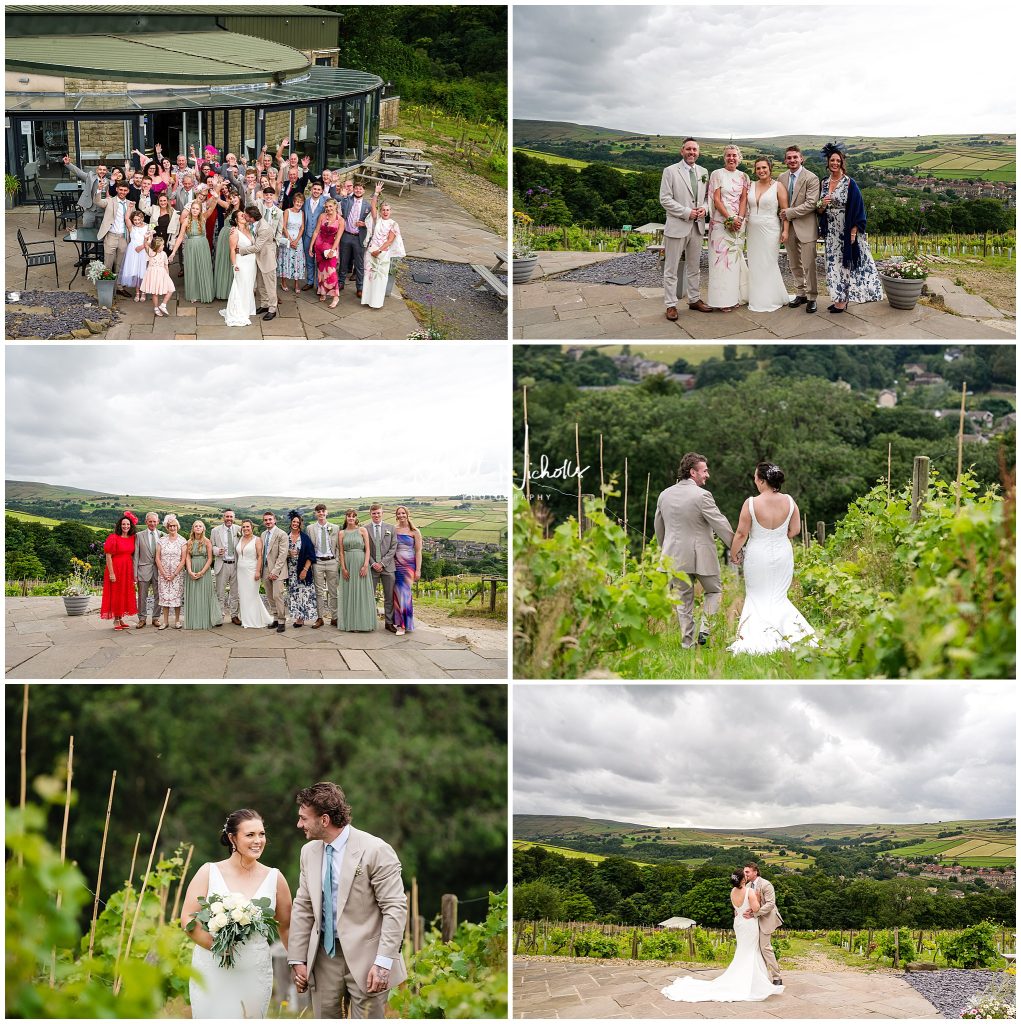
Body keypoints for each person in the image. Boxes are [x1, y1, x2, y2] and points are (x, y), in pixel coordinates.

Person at [288, 782, 408, 1018]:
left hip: (369, 957)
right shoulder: (308, 852)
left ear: (324, 820)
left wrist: (383, 962)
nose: (299, 824)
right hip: (323, 958)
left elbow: (395, 908)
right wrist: (297, 958)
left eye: (303, 818)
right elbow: (303, 906)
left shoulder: (376, 850)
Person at [182, 808, 292, 1018]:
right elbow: (187, 918)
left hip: (254, 970)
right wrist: (217, 946)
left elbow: (286, 926)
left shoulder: (275, 877)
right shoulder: (209, 872)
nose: (258, 840)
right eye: (250, 835)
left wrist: (297, 965)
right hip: (213, 969)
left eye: (261, 834)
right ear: (232, 838)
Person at [727, 463, 816, 654]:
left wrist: (734, 553)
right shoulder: (790, 501)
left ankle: (756, 637)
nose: (754, 482)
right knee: (778, 596)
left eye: (755, 478)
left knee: (757, 595)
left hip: (758, 555)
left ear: (761, 480)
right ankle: (791, 635)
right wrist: (778, 536)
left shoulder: (751, 503)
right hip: (783, 554)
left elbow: (741, 533)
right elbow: (795, 530)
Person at [661, 866, 783, 1002]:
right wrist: (755, 900)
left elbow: (769, 905)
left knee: (753, 949)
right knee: (751, 950)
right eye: (745, 873)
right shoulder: (748, 889)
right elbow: (754, 907)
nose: (747, 874)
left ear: (755, 872)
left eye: (748, 871)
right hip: (749, 924)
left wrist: (750, 910)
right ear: (743, 879)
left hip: (745, 923)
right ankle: (755, 980)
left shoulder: (752, 887)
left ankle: (769, 976)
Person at [654, 453, 735, 649]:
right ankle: (705, 630)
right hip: (702, 556)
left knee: (683, 601)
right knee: (714, 591)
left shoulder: (664, 494)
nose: (708, 475)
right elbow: (720, 523)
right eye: (705, 471)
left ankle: (687, 643)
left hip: (674, 557)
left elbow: (659, 528)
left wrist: (665, 549)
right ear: (692, 472)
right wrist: (736, 546)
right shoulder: (702, 496)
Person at [818, 142, 883, 313]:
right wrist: (822, 205)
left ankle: (843, 301)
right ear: (828, 162)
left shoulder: (849, 183)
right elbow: (818, 208)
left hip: (845, 231)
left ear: (842, 162)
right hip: (831, 231)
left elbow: (858, 208)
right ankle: (838, 297)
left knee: (846, 265)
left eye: (838, 161)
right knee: (833, 265)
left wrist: (853, 232)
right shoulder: (824, 183)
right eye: (832, 160)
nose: (835, 163)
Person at [659, 138, 712, 319]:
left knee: (694, 267)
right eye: (688, 149)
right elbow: (665, 199)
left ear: (699, 152)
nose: (692, 152)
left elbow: (707, 197)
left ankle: (694, 299)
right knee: (671, 268)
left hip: (697, 227)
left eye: (695, 150)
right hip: (677, 225)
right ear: (682, 151)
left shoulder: (704, 171)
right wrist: (686, 212)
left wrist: (706, 208)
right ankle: (671, 304)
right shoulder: (670, 171)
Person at [777, 145, 820, 314]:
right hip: (788, 227)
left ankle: (812, 297)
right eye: (789, 158)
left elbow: (811, 204)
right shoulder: (781, 178)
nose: (792, 160)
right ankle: (800, 293)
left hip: (806, 227)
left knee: (809, 264)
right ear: (785, 160)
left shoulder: (811, 178)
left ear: (802, 158)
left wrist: (789, 213)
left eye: (795, 157)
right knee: (794, 263)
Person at [745, 157, 791, 314]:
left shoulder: (778, 186)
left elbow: (785, 212)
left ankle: (770, 298)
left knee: (768, 263)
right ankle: (757, 296)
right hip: (752, 230)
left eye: (764, 167)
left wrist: (785, 230)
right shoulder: (750, 185)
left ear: (770, 168)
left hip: (771, 230)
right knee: (755, 262)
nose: (761, 171)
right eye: (758, 168)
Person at [707, 145, 750, 311]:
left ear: (739, 158)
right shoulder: (717, 174)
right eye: (728, 155)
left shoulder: (744, 176)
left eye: (734, 155)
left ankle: (735, 297)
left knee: (734, 262)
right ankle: (721, 300)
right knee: (720, 262)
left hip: (739, 224)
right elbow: (716, 200)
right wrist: (729, 218)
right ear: (724, 158)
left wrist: (739, 218)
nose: (731, 158)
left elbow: (744, 199)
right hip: (720, 223)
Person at [361, 187, 405, 309]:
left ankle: (376, 302)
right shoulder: (377, 220)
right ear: (381, 212)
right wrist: (375, 193)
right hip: (371, 252)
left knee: (380, 278)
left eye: (387, 210)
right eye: (383, 210)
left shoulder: (393, 224)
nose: (385, 212)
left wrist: (379, 250)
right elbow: (373, 206)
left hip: (382, 253)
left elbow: (390, 240)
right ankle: (367, 300)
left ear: (391, 211)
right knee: (369, 276)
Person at [170, 200, 215, 303]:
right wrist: (173, 252)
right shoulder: (186, 221)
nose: (195, 210)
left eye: (197, 209)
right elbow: (180, 237)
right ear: (190, 209)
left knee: (203, 268)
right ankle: (194, 294)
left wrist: (216, 195)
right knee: (192, 269)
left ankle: (205, 293)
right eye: (193, 208)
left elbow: (212, 207)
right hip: (190, 247)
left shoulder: (203, 218)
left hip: (202, 246)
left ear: (200, 211)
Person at [219, 208, 258, 327]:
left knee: (249, 285)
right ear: (236, 220)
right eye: (241, 215)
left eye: (244, 215)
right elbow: (232, 250)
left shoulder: (249, 229)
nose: (244, 216)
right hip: (241, 263)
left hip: (251, 262)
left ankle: (247, 308)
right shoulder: (234, 232)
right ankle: (239, 310)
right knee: (241, 285)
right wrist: (234, 265)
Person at [338, 509, 375, 633]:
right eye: (348, 516)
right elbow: (341, 553)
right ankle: (351, 623)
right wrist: (343, 568)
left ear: (356, 518)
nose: (351, 518)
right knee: (349, 592)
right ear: (346, 518)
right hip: (348, 564)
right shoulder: (341, 533)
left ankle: (363, 623)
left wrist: (365, 565)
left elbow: (368, 550)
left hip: (360, 563)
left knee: (361, 593)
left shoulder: (362, 530)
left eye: (353, 516)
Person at [101, 512, 138, 630]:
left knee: (123, 593)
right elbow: (108, 556)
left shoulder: (133, 538)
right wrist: (111, 573)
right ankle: (116, 620)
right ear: (119, 525)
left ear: (131, 526)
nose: (125, 526)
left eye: (128, 524)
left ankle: (120, 617)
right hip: (116, 568)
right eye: (123, 524)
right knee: (116, 593)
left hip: (127, 569)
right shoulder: (113, 538)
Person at [235, 520, 275, 628]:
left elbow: (260, 556)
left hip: (252, 570)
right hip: (240, 571)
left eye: (248, 526)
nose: (245, 528)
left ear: (252, 527)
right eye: (243, 527)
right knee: (243, 595)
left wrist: (258, 571)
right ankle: (245, 618)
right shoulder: (240, 539)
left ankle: (255, 620)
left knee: (252, 594)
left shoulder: (257, 540)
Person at [96, 181, 136, 284]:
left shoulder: (130, 204)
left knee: (120, 264)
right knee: (108, 263)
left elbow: (134, 221)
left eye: (125, 190)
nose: (122, 192)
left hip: (124, 237)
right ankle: (106, 287)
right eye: (121, 189)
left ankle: (118, 286)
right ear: (117, 189)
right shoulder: (110, 201)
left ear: (128, 191)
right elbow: (98, 202)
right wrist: (99, 190)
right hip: (111, 236)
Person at [307, 504, 339, 629]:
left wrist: (338, 561)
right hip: (317, 562)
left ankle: (335, 618)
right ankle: (320, 618)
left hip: (332, 561)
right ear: (315, 514)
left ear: (327, 512)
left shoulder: (335, 528)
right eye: (318, 511)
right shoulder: (310, 528)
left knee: (333, 591)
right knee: (318, 592)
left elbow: (338, 546)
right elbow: (309, 547)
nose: (321, 513)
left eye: (323, 511)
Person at [183, 520, 219, 630]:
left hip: (204, 570)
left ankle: (205, 620)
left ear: (203, 529)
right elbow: (188, 557)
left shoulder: (207, 542)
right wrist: (189, 571)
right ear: (193, 528)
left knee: (204, 595)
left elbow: (210, 558)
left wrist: (202, 572)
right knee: (193, 595)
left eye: (200, 526)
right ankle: (193, 620)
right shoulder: (189, 542)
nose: (198, 528)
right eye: (196, 526)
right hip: (192, 569)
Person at [339, 182, 373, 298]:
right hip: (346, 235)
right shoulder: (347, 200)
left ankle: (360, 287)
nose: (358, 190)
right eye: (356, 188)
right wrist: (343, 196)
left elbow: (372, 222)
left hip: (359, 237)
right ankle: (340, 282)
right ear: (353, 189)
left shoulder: (367, 206)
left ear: (364, 191)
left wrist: (364, 224)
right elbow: (340, 208)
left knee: (359, 264)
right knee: (343, 261)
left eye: (360, 189)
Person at [366, 504, 397, 633]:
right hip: (372, 568)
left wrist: (383, 563)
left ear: (382, 513)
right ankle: (369, 622)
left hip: (388, 568)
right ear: (370, 514)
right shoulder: (365, 529)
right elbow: (364, 549)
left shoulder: (391, 528)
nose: (376, 515)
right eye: (374, 513)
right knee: (369, 596)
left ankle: (389, 623)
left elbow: (393, 547)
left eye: (378, 513)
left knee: (389, 597)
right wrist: (373, 563)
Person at [392, 506, 422, 636]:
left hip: (409, 566)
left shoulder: (415, 532)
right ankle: (401, 623)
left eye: (403, 513)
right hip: (396, 566)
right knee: (397, 595)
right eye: (399, 513)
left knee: (405, 594)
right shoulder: (394, 530)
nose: (401, 515)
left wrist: (418, 570)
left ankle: (403, 626)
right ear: (396, 516)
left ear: (407, 514)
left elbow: (418, 551)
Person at [286, 512, 318, 628]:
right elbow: (282, 553)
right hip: (290, 571)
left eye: (297, 522)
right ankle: (298, 617)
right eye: (294, 522)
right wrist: (288, 554)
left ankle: (301, 618)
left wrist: (305, 570)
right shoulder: (286, 536)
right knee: (294, 594)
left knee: (303, 594)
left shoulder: (304, 538)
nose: (295, 524)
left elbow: (311, 555)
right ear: (291, 523)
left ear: (300, 524)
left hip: (302, 570)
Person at [210, 510, 243, 626]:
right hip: (222, 564)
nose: (229, 518)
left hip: (236, 565)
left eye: (231, 517)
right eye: (227, 516)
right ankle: (219, 616)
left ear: (234, 518)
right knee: (220, 593)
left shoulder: (240, 529)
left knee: (235, 593)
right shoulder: (215, 530)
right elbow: (211, 545)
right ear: (223, 517)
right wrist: (216, 550)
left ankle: (234, 616)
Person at [249, 198, 280, 322]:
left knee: (270, 286)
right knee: (261, 284)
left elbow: (256, 247)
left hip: (267, 260)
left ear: (252, 217)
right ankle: (264, 304)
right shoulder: (254, 224)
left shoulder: (265, 228)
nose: (245, 217)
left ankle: (272, 309)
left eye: (247, 216)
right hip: (259, 259)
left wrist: (240, 250)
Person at [155, 514, 187, 630]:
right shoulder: (161, 541)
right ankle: (165, 621)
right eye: (170, 526)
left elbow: (183, 559)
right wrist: (163, 573)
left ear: (177, 526)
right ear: (167, 527)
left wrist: (174, 574)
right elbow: (157, 558)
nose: (172, 528)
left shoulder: (182, 541)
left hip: (177, 575)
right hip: (163, 574)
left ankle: (177, 621)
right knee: (164, 598)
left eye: (174, 526)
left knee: (176, 598)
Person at [133, 512, 163, 627]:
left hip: (158, 571)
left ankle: (156, 618)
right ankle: (142, 618)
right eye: (150, 521)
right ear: (146, 522)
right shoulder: (139, 535)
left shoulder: (162, 535)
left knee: (158, 595)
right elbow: (136, 556)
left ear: (158, 522)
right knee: (142, 596)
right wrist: (134, 573)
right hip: (143, 570)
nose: (152, 523)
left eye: (154, 521)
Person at [310, 198, 342, 307]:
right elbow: (316, 232)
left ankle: (335, 296)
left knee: (331, 272)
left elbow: (338, 238)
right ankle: (323, 291)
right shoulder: (322, 216)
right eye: (327, 207)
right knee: (321, 272)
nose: (328, 209)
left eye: (330, 206)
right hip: (319, 247)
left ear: (335, 206)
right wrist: (311, 247)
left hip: (330, 249)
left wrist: (332, 251)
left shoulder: (341, 220)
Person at [62, 154, 109, 228]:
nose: (102, 171)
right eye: (100, 169)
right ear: (97, 170)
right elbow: (79, 172)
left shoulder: (109, 181)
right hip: (90, 209)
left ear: (106, 171)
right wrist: (68, 164)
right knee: (87, 229)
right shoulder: (90, 177)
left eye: (104, 170)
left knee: (100, 232)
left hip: (102, 211)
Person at [260, 512, 289, 633]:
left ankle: (282, 621)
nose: (268, 522)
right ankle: (275, 618)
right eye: (266, 520)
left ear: (275, 520)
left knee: (278, 595)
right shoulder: (263, 534)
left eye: (270, 519)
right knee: (270, 596)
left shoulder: (282, 534)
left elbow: (283, 555)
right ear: (263, 522)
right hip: (265, 569)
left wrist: (275, 571)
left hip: (278, 570)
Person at [213, 189, 243, 300]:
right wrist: (216, 189)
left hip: (234, 237)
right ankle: (222, 289)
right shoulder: (228, 206)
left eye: (235, 197)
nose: (233, 200)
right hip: (224, 235)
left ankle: (232, 290)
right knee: (223, 261)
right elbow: (217, 199)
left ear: (239, 197)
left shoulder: (242, 211)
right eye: (231, 198)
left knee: (233, 261)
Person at [118, 209, 151, 302]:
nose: (137, 221)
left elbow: (149, 240)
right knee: (135, 272)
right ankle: (137, 293)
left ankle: (143, 292)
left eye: (139, 219)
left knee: (143, 272)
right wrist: (129, 207)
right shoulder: (131, 228)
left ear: (142, 218)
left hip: (143, 251)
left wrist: (142, 246)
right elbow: (126, 218)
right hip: (133, 252)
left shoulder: (147, 227)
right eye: (135, 220)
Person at [278, 190, 307, 294]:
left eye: (301, 202)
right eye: (297, 201)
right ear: (294, 202)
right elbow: (283, 226)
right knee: (285, 259)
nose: (299, 204)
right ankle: (283, 282)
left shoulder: (302, 213)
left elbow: (302, 228)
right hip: (287, 239)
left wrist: (296, 240)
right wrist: (290, 240)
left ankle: (296, 283)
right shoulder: (287, 211)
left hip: (298, 240)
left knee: (297, 262)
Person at [301, 181, 328, 291]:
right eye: (314, 189)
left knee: (320, 261)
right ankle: (310, 281)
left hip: (321, 236)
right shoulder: (306, 202)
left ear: (321, 191)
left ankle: (319, 284)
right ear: (311, 190)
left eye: (318, 189)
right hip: (307, 235)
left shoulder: (325, 202)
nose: (316, 191)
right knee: (309, 259)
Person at [142, 236, 175, 318]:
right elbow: (146, 245)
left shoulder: (164, 254)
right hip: (153, 275)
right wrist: (145, 238)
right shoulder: (151, 253)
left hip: (162, 274)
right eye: (162, 245)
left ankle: (163, 305)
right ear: (157, 246)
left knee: (171, 289)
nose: (163, 246)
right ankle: (156, 308)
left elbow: (166, 265)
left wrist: (167, 275)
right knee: (155, 292)